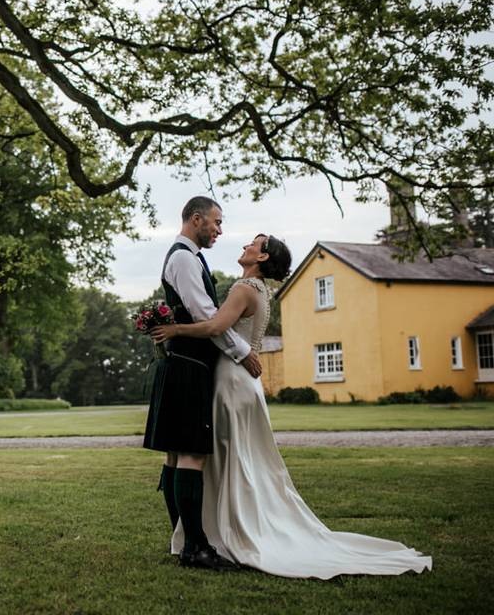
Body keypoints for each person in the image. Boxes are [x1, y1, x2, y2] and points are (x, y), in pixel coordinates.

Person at [150, 234, 433, 579]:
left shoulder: (244, 289)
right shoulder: (260, 290)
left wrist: (173, 328)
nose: (244, 247)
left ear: (263, 255)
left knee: (233, 456)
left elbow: (214, 327)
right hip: (245, 382)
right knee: (242, 457)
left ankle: (231, 532)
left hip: (232, 380)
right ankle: (221, 531)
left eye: (252, 244)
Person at [142, 195, 262, 571]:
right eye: (216, 222)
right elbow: (207, 317)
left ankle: (183, 541)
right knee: (189, 453)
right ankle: (195, 547)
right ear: (196, 220)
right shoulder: (182, 257)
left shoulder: (188, 256)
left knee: (176, 453)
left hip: (182, 363)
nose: (220, 230)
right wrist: (243, 352)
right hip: (188, 365)